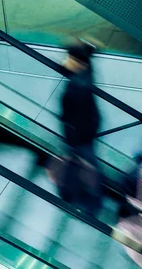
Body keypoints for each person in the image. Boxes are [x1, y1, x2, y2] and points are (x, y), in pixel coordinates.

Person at [59, 41, 102, 213]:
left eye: (68, 58)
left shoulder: (77, 86)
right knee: (84, 164)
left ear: (78, 62)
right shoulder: (86, 72)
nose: (65, 61)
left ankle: (91, 204)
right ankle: (73, 195)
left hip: (79, 134)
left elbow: (76, 114)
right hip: (85, 131)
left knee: (87, 166)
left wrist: (73, 139)